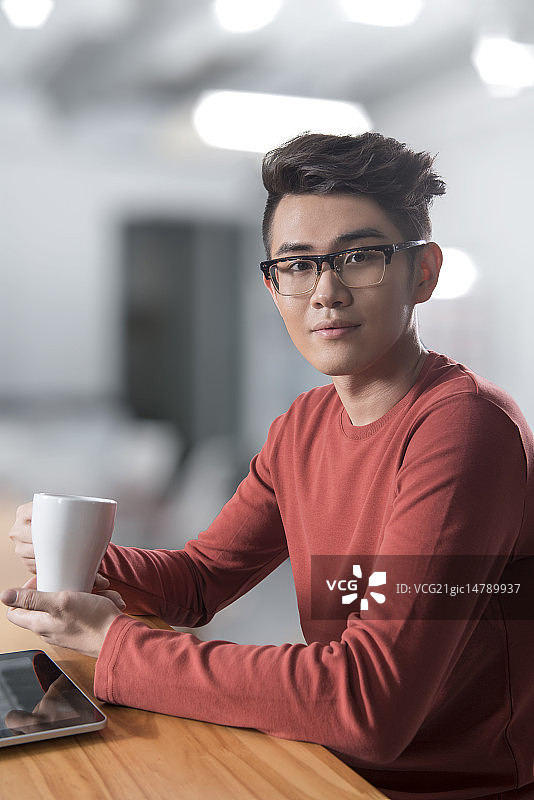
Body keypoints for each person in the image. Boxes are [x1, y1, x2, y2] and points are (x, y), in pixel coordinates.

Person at [3, 132, 534, 800]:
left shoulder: (464, 428)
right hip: (326, 769)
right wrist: (80, 559)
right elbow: (200, 580)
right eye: (297, 265)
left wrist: (118, 646)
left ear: (423, 272)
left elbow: (369, 703)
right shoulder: (303, 426)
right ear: (272, 282)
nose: (325, 291)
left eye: (360, 256)